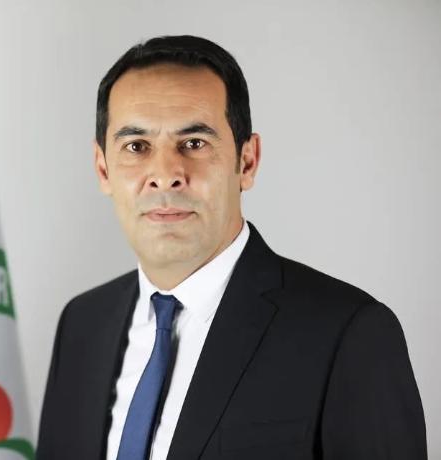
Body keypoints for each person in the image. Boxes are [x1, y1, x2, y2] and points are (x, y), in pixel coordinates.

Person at [36, 35, 427, 460]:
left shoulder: (349, 334)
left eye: (194, 143)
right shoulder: (81, 325)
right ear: (103, 169)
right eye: (137, 146)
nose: (165, 174)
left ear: (247, 161)